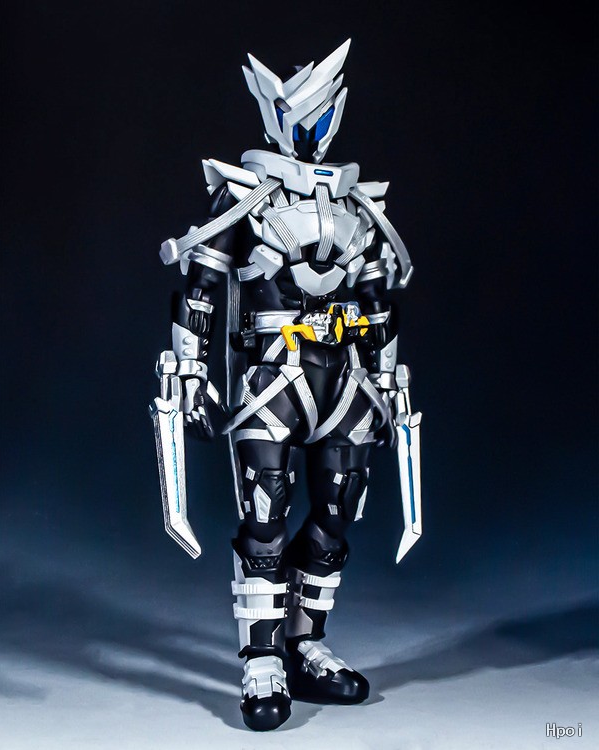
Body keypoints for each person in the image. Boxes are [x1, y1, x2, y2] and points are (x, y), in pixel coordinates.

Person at [151, 39, 422, 731]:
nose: (310, 128)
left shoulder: (358, 204)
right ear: (272, 113)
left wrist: (388, 379)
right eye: (299, 113)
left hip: (347, 382)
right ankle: (262, 660)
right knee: (266, 514)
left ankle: (306, 645)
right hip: (273, 377)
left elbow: (379, 301)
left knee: (336, 510)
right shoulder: (244, 196)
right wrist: (189, 370)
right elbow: (201, 289)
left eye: (322, 113)